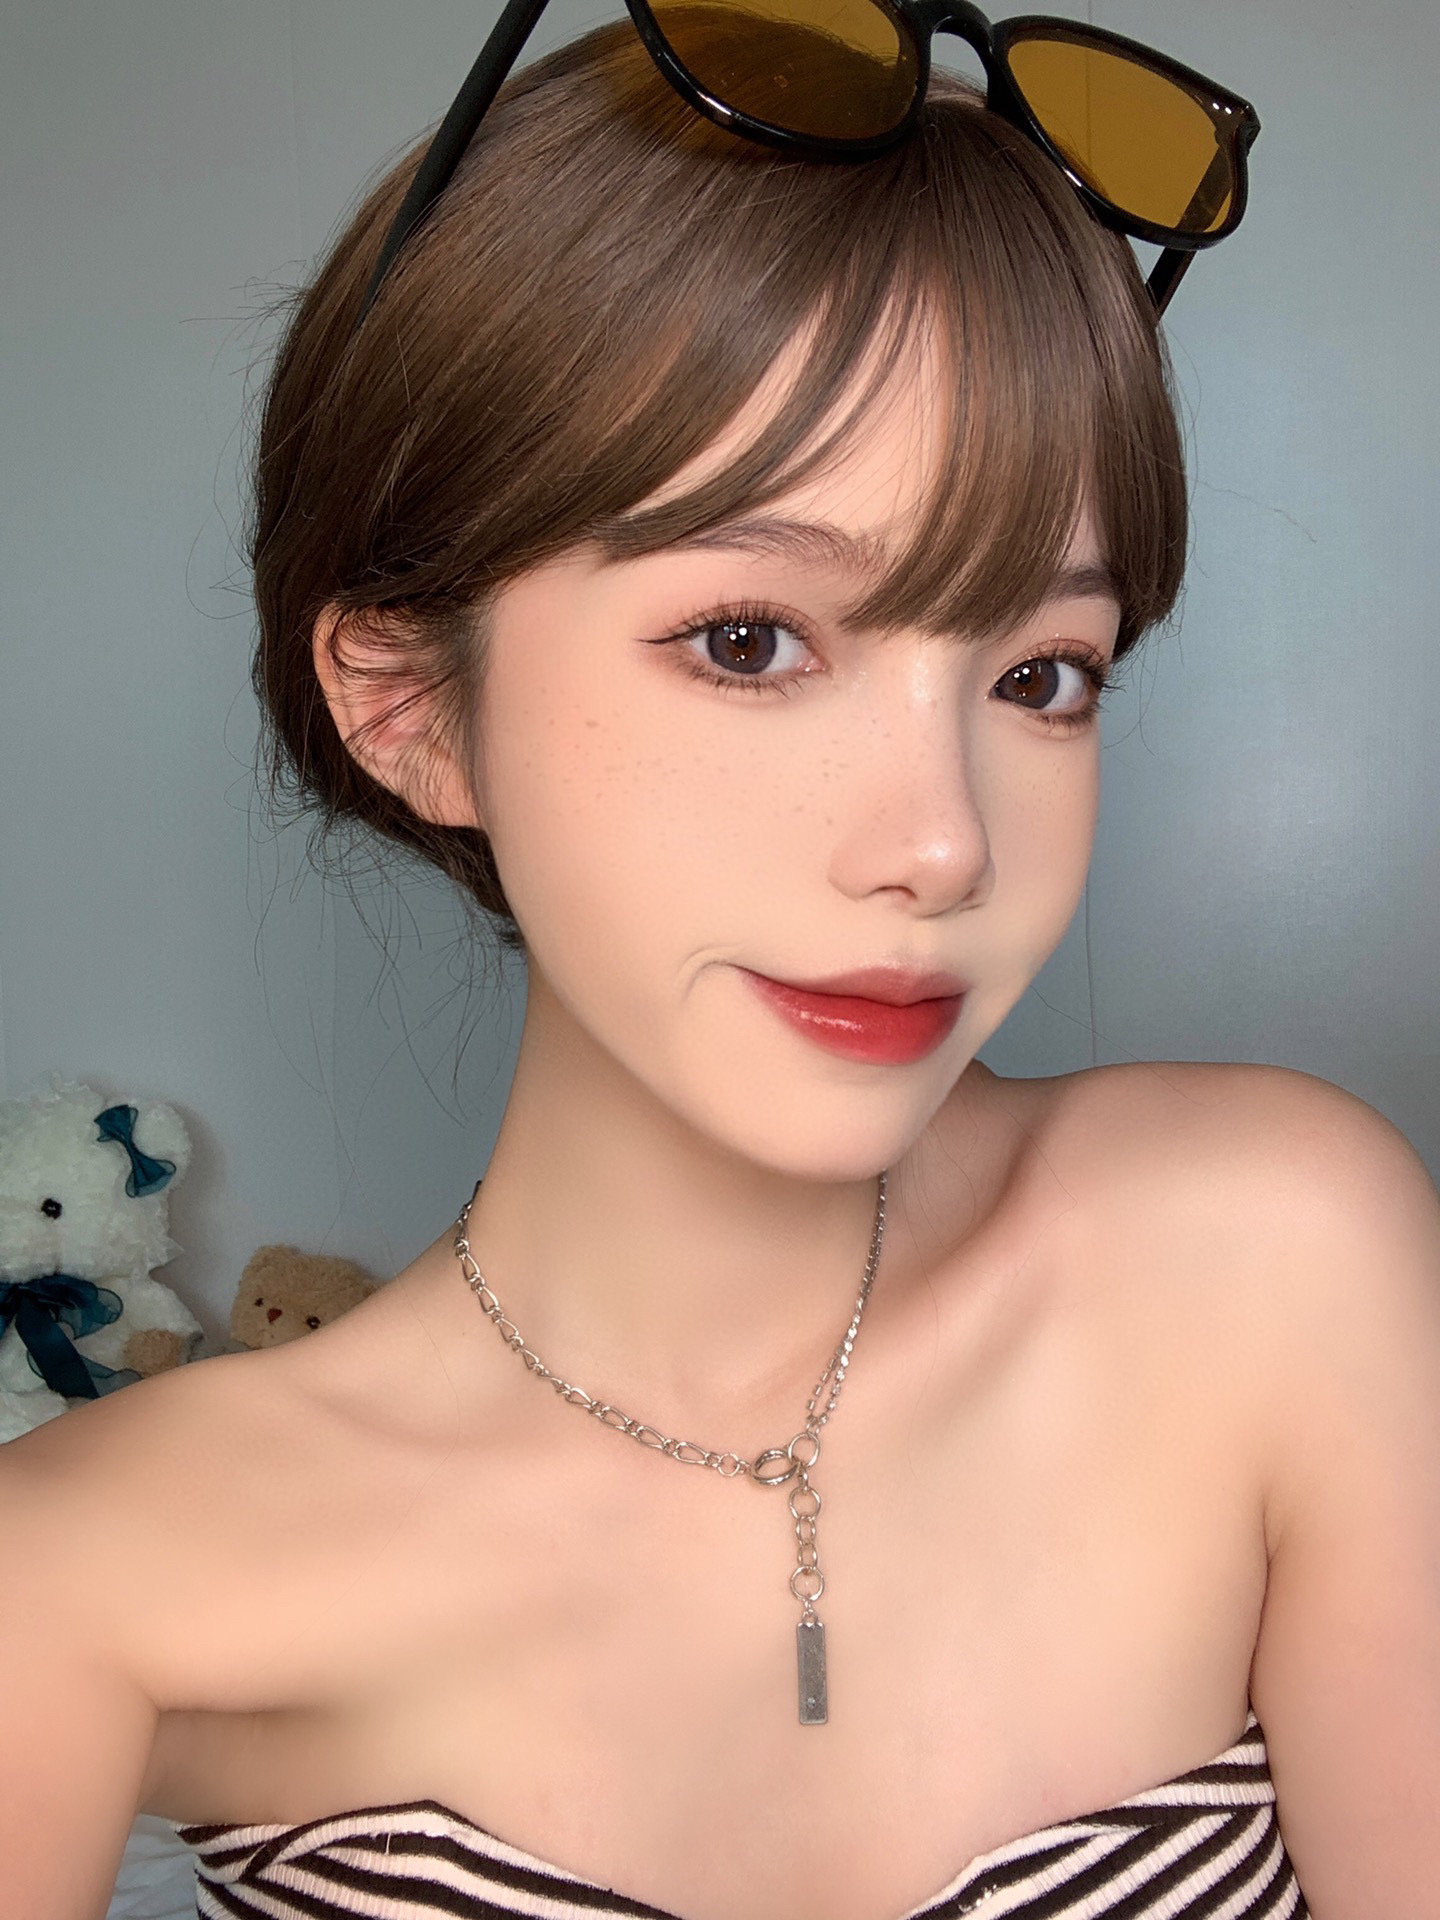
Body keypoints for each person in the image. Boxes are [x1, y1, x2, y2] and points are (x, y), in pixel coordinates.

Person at [4, 6, 1439, 1918]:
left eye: (1040, 674)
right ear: (409, 701)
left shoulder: (1278, 1255)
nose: (944, 842)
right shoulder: (87, 1581)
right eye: (752, 640)